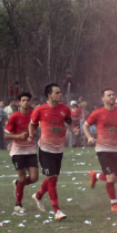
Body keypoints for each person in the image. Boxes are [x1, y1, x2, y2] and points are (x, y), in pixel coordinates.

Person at [29, 83, 80, 221]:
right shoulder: (40, 110)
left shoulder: (65, 109)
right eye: (57, 93)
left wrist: (73, 129)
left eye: (60, 92)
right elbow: (32, 124)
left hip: (59, 149)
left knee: (53, 178)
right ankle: (57, 211)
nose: (60, 95)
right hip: (45, 149)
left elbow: (69, 122)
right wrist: (31, 134)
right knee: (52, 178)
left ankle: (38, 196)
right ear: (49, 95)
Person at [83, 88, 117, 212]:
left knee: (115, 178)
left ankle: (95, 176)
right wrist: (90, 137)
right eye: (109, 95)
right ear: (103, 99)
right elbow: (85, 125)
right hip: (103, 149)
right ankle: (114, 204)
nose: (112, 97)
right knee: (111, 177)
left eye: (113, 94)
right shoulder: (97, 113)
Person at [4, 92, 39, 214]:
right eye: (23, 100)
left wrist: (34, 134)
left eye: (28, 100)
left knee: (34, 177)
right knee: (22, 176)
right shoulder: (14, 117)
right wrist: (19, 136)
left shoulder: (34, 115)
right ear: (19, 102)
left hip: (30, 150)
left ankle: (18, 184)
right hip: (18, 151)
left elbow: (36, 130)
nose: (26, 102)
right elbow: (6, 135)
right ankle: (18, 204)